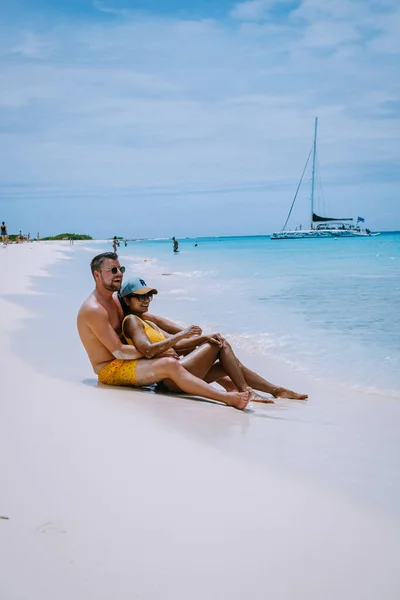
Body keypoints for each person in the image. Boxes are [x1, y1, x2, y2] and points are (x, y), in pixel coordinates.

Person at [77, 253, 251, 410]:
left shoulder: (115, 300)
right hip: (110, 369)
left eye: (120, 269)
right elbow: (119, 351)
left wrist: (184, 334)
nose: (119, 273)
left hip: (129, 359)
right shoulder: (94, 309)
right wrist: (156, 351)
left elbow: (149, 317)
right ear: (97, 275)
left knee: (197, 348)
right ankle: (226, 398)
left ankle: (236, 386)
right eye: (113, 270)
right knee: (169, 363)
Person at [119, 278, 308, 402]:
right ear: (127, 301)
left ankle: (277, 390)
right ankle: (247, 391)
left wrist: (202, 338)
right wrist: (182, 334)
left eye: (149, 296)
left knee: (229, 362)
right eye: (141, 296)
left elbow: (177, 345)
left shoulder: (147, 322)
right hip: (171, 378)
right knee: (221, 344)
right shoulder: (131, 321)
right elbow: (147, 350)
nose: (147, 300)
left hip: (178, 376)